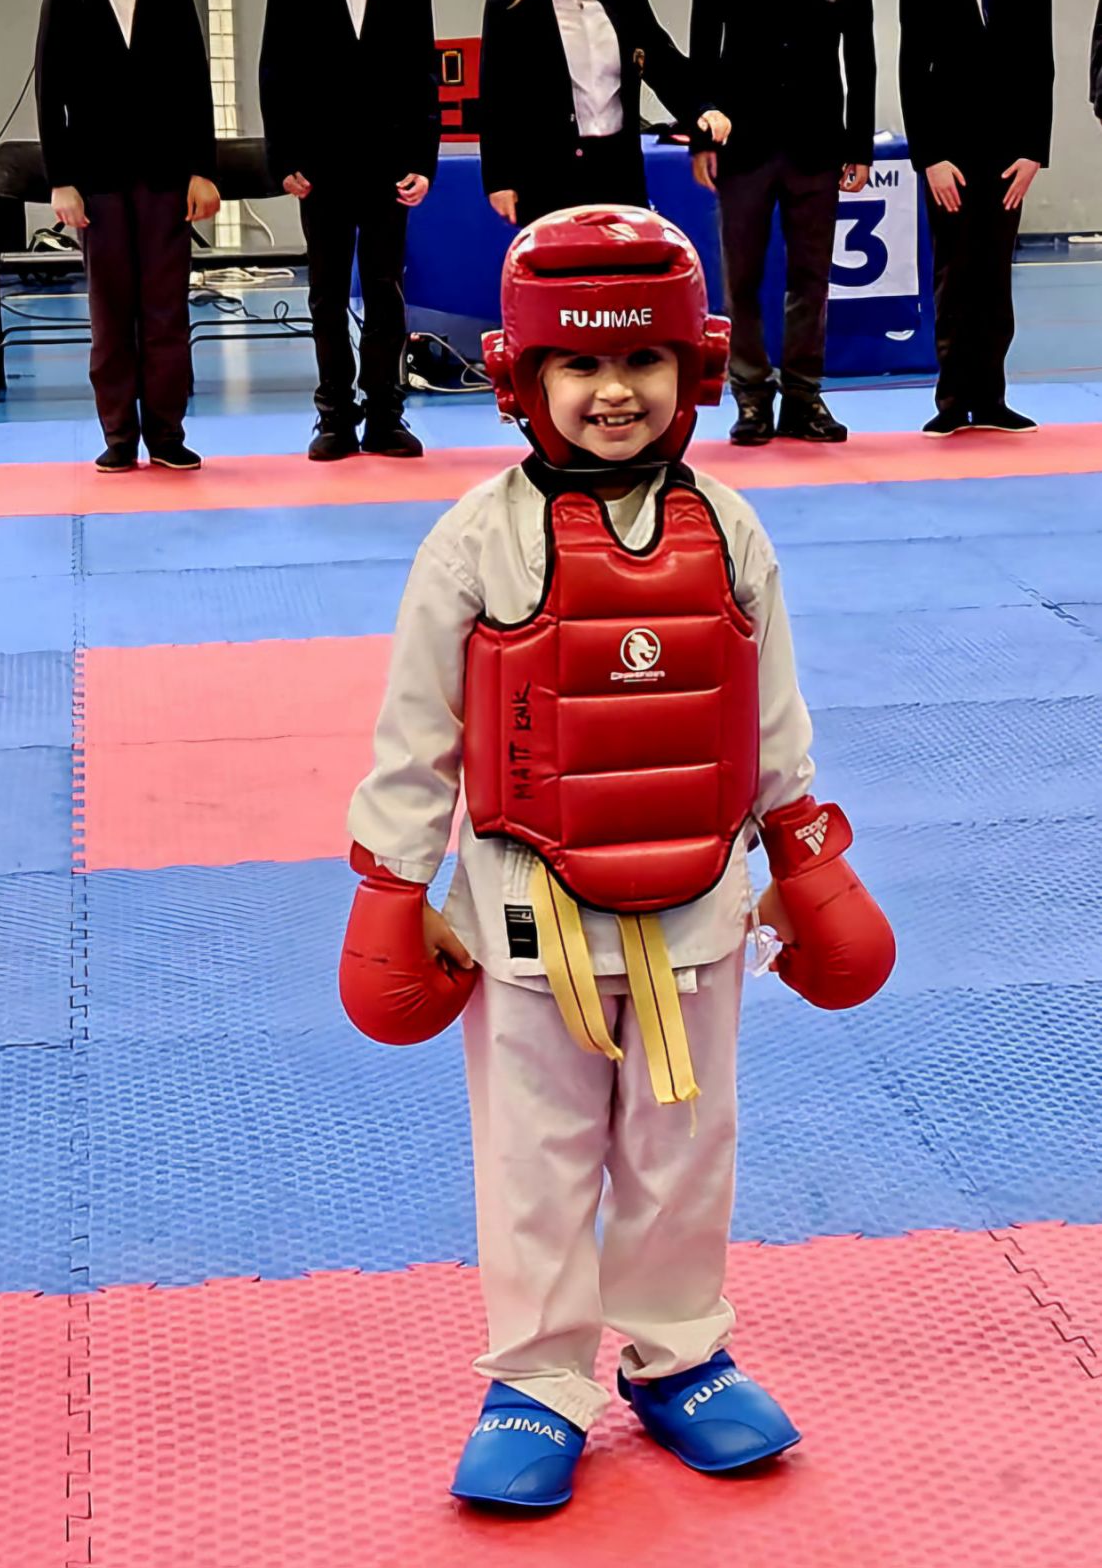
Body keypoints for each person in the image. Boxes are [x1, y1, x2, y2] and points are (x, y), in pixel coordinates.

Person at [338, 206, 896, 1512]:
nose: (612, 390)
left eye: (641, 359)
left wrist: (804, 853)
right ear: (521, 375)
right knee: (535, 1155)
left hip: (699, 901)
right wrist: (391, 884)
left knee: (683, 1141)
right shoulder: (474, 538)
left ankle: (677, 1350)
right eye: (580, 364)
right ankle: (537, 1376)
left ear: (689, 366)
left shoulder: (729, 530)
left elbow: (768, 717)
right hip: (527, 908)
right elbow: (417, 730)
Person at [689, 0, 876, 446]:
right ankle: (749, 395)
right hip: (742, 140)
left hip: (816, 139)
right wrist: (701, 134)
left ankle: (803, 394)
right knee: (741, 276)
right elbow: (702, 41)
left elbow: (861, 52)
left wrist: (858, 141)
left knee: (811, 276)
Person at [34, 0, 219, 472]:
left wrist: (202, 169)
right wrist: (62, 181)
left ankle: (166, 432)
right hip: (97, 181)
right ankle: (118, 434)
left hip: (167, 178)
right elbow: (50, 96)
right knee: (110, 314)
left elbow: (195, 86)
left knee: (166, 311)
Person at [258, 0, 440, 462]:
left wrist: (423, 160)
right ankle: (334, 414)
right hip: (321, 162)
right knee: (327, 293)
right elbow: (276, 70)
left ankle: (386, 412)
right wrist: (283, 158)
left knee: (387, 288)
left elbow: (422, 75)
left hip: (389, 161)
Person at [901, 0, 1053, 435]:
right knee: (954, 275)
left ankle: (991, 397)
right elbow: (913, 75)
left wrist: (1033, 152)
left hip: (1008, 157)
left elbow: (1040, 70)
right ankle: (951, 401)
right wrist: (930, 158)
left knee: (994, 277)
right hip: (950, 158)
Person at [478, 0, 730, 232]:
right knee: (562, 264)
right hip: (547, 177)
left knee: (624, 262)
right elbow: (497, 100)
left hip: (618, 170)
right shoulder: (510, 7)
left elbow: (666, 67)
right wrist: (499, 179)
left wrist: (704, 109)